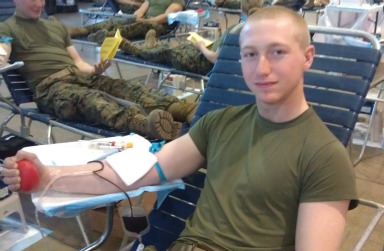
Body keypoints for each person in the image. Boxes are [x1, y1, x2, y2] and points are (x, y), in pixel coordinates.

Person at [2, 6, 358, 251]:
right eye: (250, 54)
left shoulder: (324, 156)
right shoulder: (220, 123)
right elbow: (138, 172)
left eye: (277, 52)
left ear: (307, 57)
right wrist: (48, 175)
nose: (261, 68)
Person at [0, 0, 197, 141]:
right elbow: (2, 54)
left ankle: (182, 109)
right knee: (91, 100)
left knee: (127, 87)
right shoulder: (7, 28)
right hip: (50, 88)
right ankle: (143, 123)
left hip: (78, 76)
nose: (38, 4)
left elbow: (78, 62)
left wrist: (95, 69)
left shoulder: (55, 26)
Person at [116, 0, 263, 75]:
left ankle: (136, 48)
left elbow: (215, 58)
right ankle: (150, 44)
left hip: (205, 63)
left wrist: (201, 46)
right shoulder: (261, 29)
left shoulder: (236, 29)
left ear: (241, 8)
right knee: (180, 49)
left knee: (167, 52)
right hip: (214, 61)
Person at [69, 0, 184, 43]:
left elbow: (166, 17)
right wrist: (135, 17)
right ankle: (81, 30)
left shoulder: (178, 0)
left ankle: (107, 35)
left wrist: (145, 20)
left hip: (161, 26)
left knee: (140, 25)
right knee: (117, 21)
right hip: (145, 21)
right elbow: (141, 9)